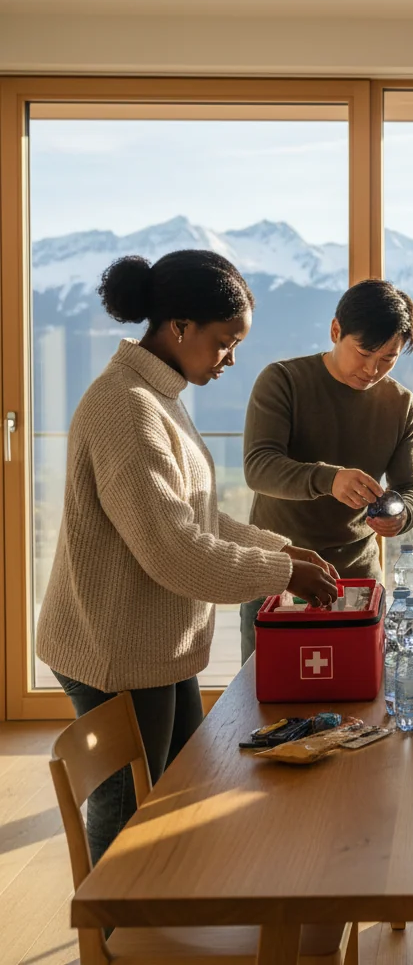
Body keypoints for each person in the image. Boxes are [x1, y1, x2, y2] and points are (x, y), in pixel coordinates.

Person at [36, 250, 338, 865]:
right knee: (130, 813)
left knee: (176, 791)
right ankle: (116, 943)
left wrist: (280, 546)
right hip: (114, 648)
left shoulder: (157, 394)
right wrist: (285, 571)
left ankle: (167, 913)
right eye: (225, 343)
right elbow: (178, 555)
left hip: (154, 640)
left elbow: (195, 516)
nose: (230, 360)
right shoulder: (127, 408)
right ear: (179, 328)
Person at [240, 279, 413, 663]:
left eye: (389, 358)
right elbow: (259, 467)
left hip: (356, 578)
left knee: (360, 704)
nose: (373, 369)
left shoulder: (400, 404)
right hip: (278, 570)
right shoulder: (283, 381)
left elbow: (412, 488)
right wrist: (329, 479)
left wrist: (402, 514)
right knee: (262, 704)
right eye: (364, 352)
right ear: (335, 331)